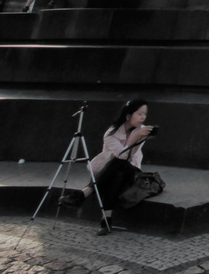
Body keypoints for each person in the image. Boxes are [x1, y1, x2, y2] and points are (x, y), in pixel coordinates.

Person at [59, 97, 154, 233]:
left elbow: (129, 157)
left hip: (132, 170)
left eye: (145, 114)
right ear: (128, 116)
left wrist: (139, 138)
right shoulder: (111, 134)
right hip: (112, 169)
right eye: (139, 114)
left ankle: (83, 194)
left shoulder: (142, 130)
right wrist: (135, 137)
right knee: (117, 173)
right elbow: (121, 156)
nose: (143, 118)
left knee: (119, 164)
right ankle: (106, 221)